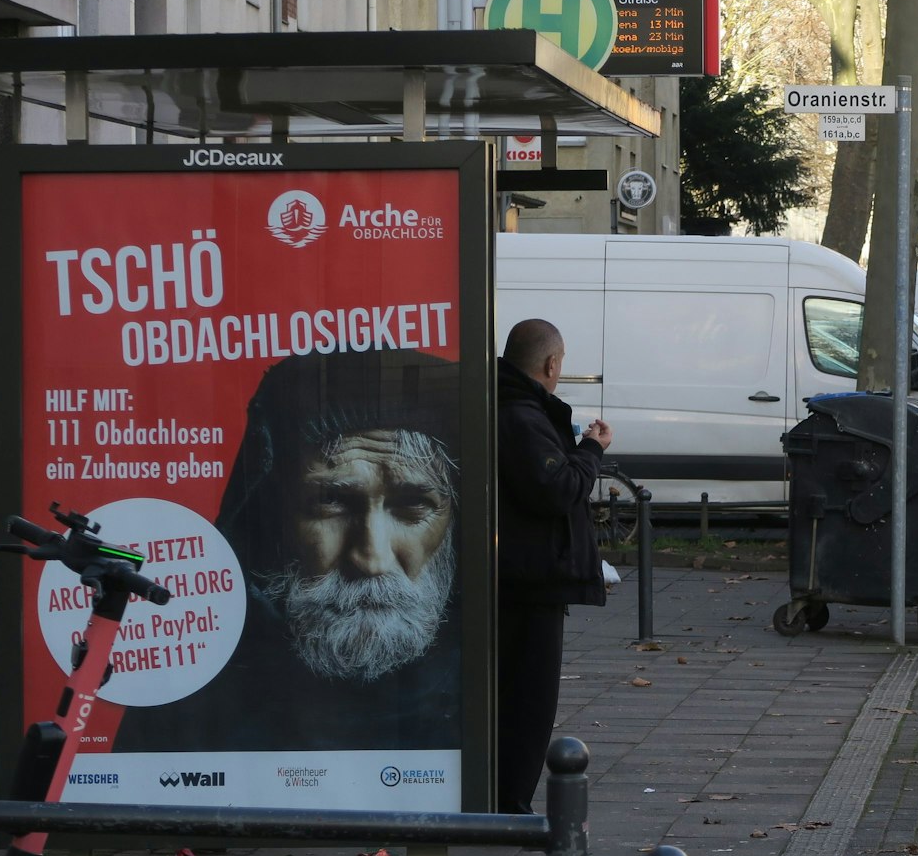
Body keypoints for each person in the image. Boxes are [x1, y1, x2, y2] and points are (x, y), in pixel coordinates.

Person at [118, 348, 465, 751]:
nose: (371, 559)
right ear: (274, 518)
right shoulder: (187, 692)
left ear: (454, 520)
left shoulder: (484, 686)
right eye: (330, 503)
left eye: (411, 506)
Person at [496, 318, 611, 815]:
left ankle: (501, 795)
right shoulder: (522, 415)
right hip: (531, 578)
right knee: (529, 699)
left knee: (511, 694)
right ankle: (511, 803)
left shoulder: (505, 403)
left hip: (513, 573)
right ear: (550, 364)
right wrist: (591, 450)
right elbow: (556, 488)